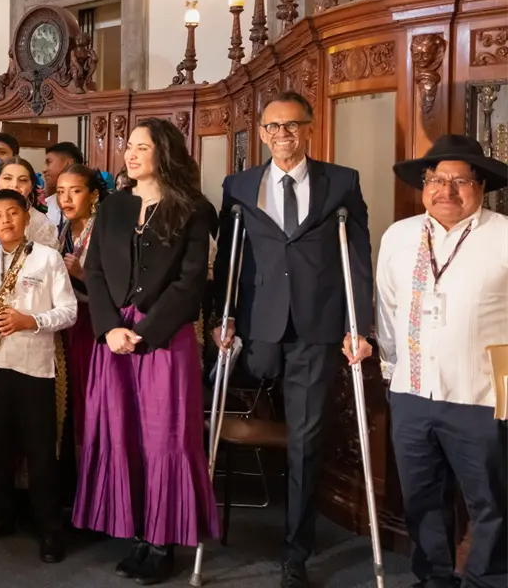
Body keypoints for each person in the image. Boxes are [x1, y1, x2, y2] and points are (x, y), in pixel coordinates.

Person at [212, 91, 373, 588]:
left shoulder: (341, 182)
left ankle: (295, 551)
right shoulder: (238, 186)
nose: (282, 135)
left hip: (316, 327)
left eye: (292, 126)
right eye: (273, 127)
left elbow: (359, 260)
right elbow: (228, 263)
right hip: (258, 325)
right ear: (261, 133)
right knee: (214, 403)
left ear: (309, 128)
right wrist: (222, 316)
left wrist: (358, 325)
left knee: (305, 439)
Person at [78, 119, 217, 583]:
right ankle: (137, 534)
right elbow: (93, 270)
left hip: (164, 334)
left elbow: (192, 279)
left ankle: (163, 541)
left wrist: (148, 330)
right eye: (129, 146)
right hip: (114, 336)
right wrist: (109, 329)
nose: (131, 154)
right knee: (123, 434)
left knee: (165, 439)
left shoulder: (192, 208)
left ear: (165, 153)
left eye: (142, 147)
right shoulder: (113, 206)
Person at [377, 135, 508, 588]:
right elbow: (386, 310)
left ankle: (485, 579)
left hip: (481, 397)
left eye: (459, 181)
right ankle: (433, 578)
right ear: (423, 184)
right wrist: (393, 375)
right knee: (421, 499)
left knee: (490, 502)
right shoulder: (399, 236)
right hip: (412, 394)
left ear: (481, 186)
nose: (445, 191)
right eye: (435, 179)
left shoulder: (504, 236)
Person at [0, 188, 76, 563]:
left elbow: (69, 312)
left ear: (27, 216)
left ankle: (49, 529)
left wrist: (31, 321)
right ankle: (0, 517)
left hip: (33, 368)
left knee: (40, 451)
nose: (6, 221)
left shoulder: (48, 258)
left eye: (13, 213)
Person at [54, 164, 107, 483]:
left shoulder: (103, 230)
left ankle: (95, 483)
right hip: (68, 323)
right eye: (60, 192)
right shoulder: (63, 229)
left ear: (94, 195)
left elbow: (118, 287)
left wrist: (81, 275)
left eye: (75, 191)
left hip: (93, 325)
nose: (66, 199)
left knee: (91, 403)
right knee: (69, 402)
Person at [0, 157, 59, 252]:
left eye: (23, 180)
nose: (15, 185)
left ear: (31, 186)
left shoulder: (42, 224)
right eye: (7, 178)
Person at [44, 142, 84, 227]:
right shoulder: (46, 205)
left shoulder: (88, 203)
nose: (44, 169)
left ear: (68, 163)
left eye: (49, 162)